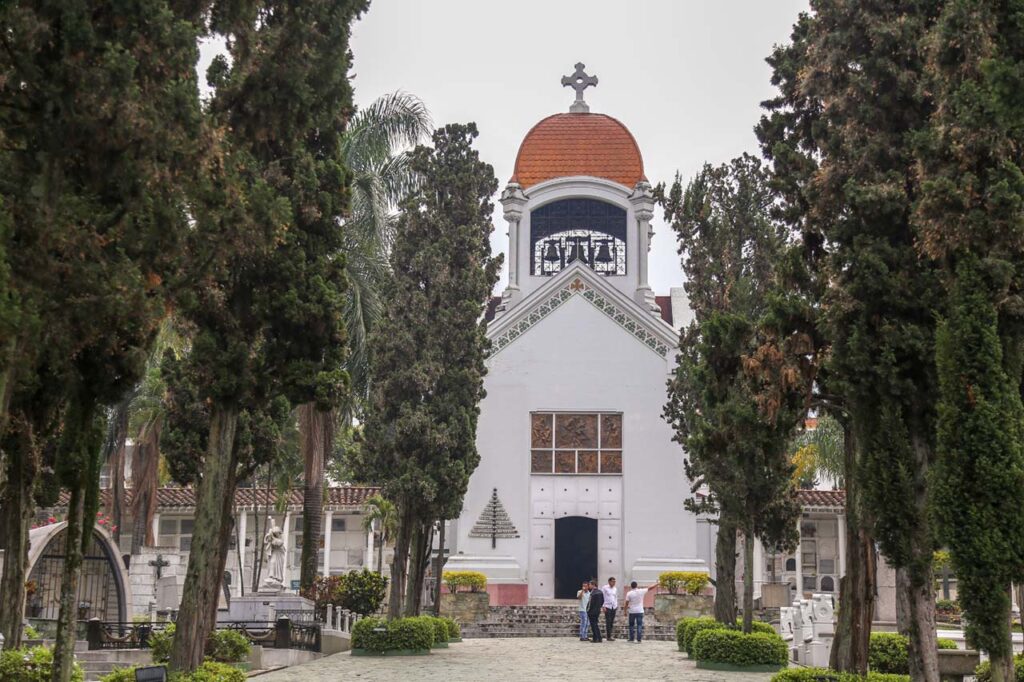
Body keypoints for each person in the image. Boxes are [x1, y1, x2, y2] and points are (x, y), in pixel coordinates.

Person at [601, 577, 619, 641]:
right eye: (613, 581)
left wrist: (616, 605)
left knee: (611, 621)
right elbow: (602, 597)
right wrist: (603, 606)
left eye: (615, 581)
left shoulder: (615, 589)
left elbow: (616, 597)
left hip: (613, 606)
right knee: (608, 621)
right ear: (609, 581)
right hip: (607, 606)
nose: (614, 583)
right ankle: (608, 636)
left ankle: (610, 635)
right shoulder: (605, 588)